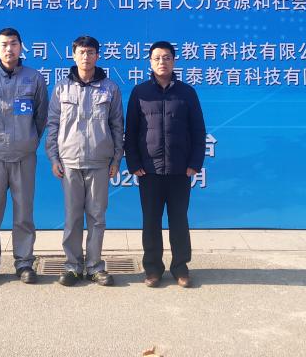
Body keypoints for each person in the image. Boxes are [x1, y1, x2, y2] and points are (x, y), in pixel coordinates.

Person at [124, 40, 206, 288]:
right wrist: (134, 163)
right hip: (149, 170)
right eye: (157, 58)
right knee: (151, 221)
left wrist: (195, 162)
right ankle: (153, 269)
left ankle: (180, 267)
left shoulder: (187, 92)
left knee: (179, 220)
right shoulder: (140, 92)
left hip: (180, 169)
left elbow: (198, 130)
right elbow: (131, 131)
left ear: (174, 61)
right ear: (150, 62)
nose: (162, 62)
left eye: (167, 57)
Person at [0, 27, 48, 285]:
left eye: (13, 44)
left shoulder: (34, 79)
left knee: (24, 210)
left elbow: (41, 117)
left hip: (24, 156)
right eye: (4, 44)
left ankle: (24, 262)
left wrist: (28, 140)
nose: (9, 49)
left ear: (20, 47)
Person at [45, 35, 124, 287]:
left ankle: (94, 266)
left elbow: (117, 126)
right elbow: (52, 125)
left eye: (90, 52)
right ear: (73, 55)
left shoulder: (110, 88)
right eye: (81, 52)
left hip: (100, 162)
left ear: (97, 56)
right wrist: (53, 157)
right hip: (69, 161)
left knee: (97, 216)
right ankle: (72, 266)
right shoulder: (61, 88)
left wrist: (116, 159)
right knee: (72, 217)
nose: (86, 57)